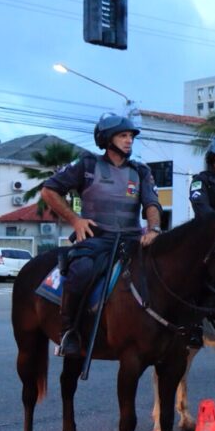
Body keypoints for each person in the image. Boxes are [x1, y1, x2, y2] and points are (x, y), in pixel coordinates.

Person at [41, 113, 162, 357]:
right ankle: (69, 332)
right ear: (107, 139)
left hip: (131, 240)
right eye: (123, 136)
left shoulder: (140, 171)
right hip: (97, 240)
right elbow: (49, 191)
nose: (129, 141)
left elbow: (152, 204)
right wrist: (75, 220)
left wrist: (154, 228)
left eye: (131, 136)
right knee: (80, 272)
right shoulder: (86, 165)